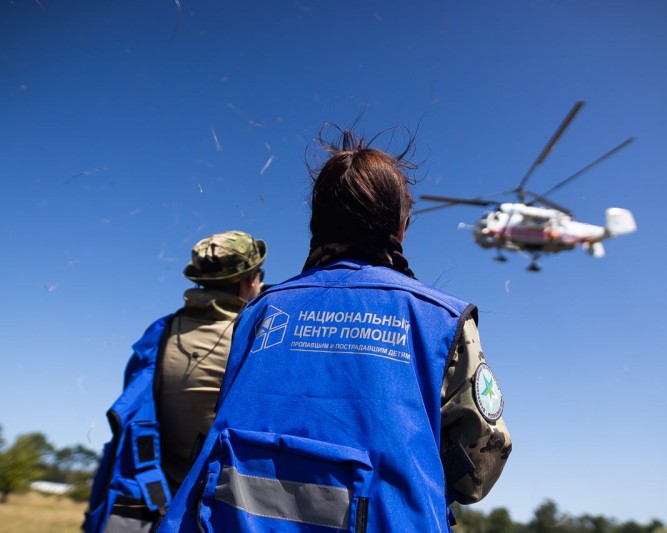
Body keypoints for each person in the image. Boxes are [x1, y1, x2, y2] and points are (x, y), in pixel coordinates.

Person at [159, 129, 511, 532]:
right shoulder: (440, 321)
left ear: (317, 223)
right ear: (401, 227)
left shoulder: (259, 312)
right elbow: (479, 469)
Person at [83, 230, 267, 533]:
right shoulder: (257, 337)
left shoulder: (161, 332)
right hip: (218, 510)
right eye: (259, 277)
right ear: (248, 281)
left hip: (154, 501)